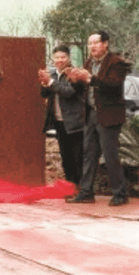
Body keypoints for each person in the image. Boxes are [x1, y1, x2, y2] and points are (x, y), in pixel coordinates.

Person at [66, 31, 131, 206]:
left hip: (108, 115)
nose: (92, 46)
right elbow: (83, 89)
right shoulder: (89, 63)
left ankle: (120, 193)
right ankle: (86, 192)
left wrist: (89, 78)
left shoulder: (116, 63)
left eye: (95, 43)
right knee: (88, 154)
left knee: (110, 155)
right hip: (91, 114)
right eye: (90, 43)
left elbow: (113, 86)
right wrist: (75, 79)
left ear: (105, 44)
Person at [38, 45, 85, 186]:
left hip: (75, 121)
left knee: (77, 156)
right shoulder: (52, 74)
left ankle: (81, 187)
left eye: (63, 57)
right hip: (59, 121)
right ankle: (70, 186)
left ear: (69, 58)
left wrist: (50, 82)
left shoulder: (75, 74)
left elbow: (68, 92)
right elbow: (44, 94)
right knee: (65, 156)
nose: (60, 60)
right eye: (57, 57)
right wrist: (44, 83)